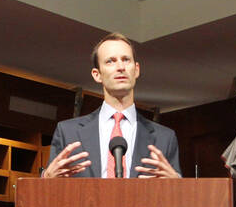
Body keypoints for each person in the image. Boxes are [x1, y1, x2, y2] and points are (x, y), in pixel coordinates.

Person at [41, 33, 181, 178]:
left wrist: (177, 184)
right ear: (97, 74)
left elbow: (178, 196)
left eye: (126, 60)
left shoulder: (164, 137)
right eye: (110, 61)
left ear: (136, 69)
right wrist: (46, 179)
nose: (120, 67)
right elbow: (50, 191)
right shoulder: (68, 132)